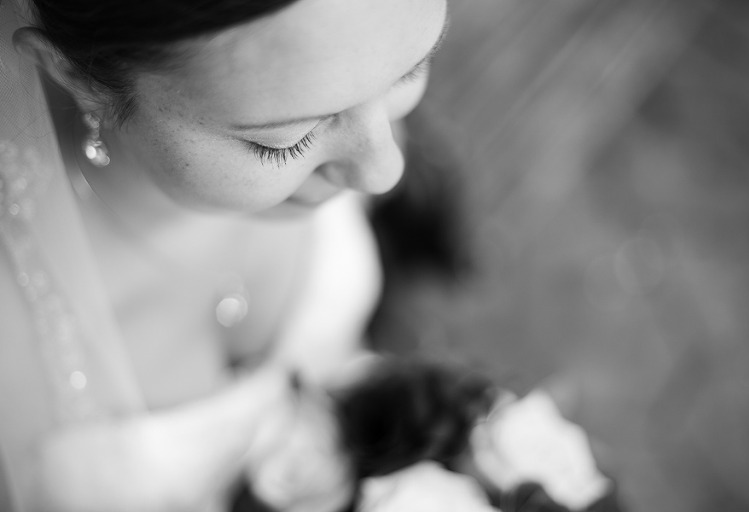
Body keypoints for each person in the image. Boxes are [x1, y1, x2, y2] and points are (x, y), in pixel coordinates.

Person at [0, 0, 452, 510]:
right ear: (78, 76)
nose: (383, 171)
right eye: (286, 142)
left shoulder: (352, 78)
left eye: (410, 70)